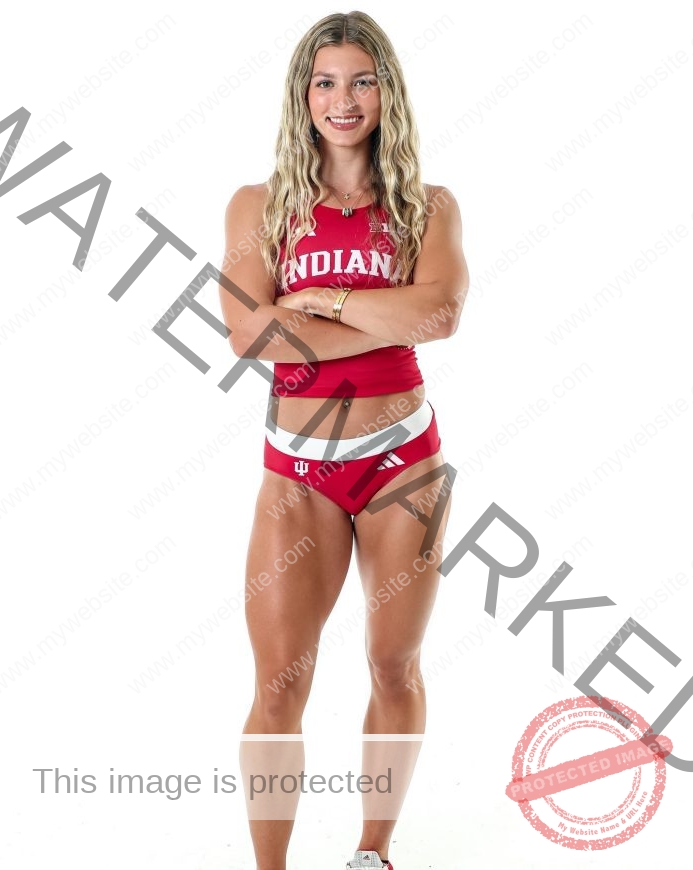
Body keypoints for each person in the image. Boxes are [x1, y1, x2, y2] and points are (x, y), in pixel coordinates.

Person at [218, 11, 469, 870]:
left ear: (386, 91)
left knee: (393, 664)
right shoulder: (261, 208)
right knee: (278, 684)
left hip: (405, 464)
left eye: (362, 80)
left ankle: (372, 852)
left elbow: (440, 313)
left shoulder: (428, 207)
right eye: (326, 81)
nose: (343, 99)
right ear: (303, 96)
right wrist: (376, 312)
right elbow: (252, 339)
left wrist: (316, 305)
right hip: (298, 471)